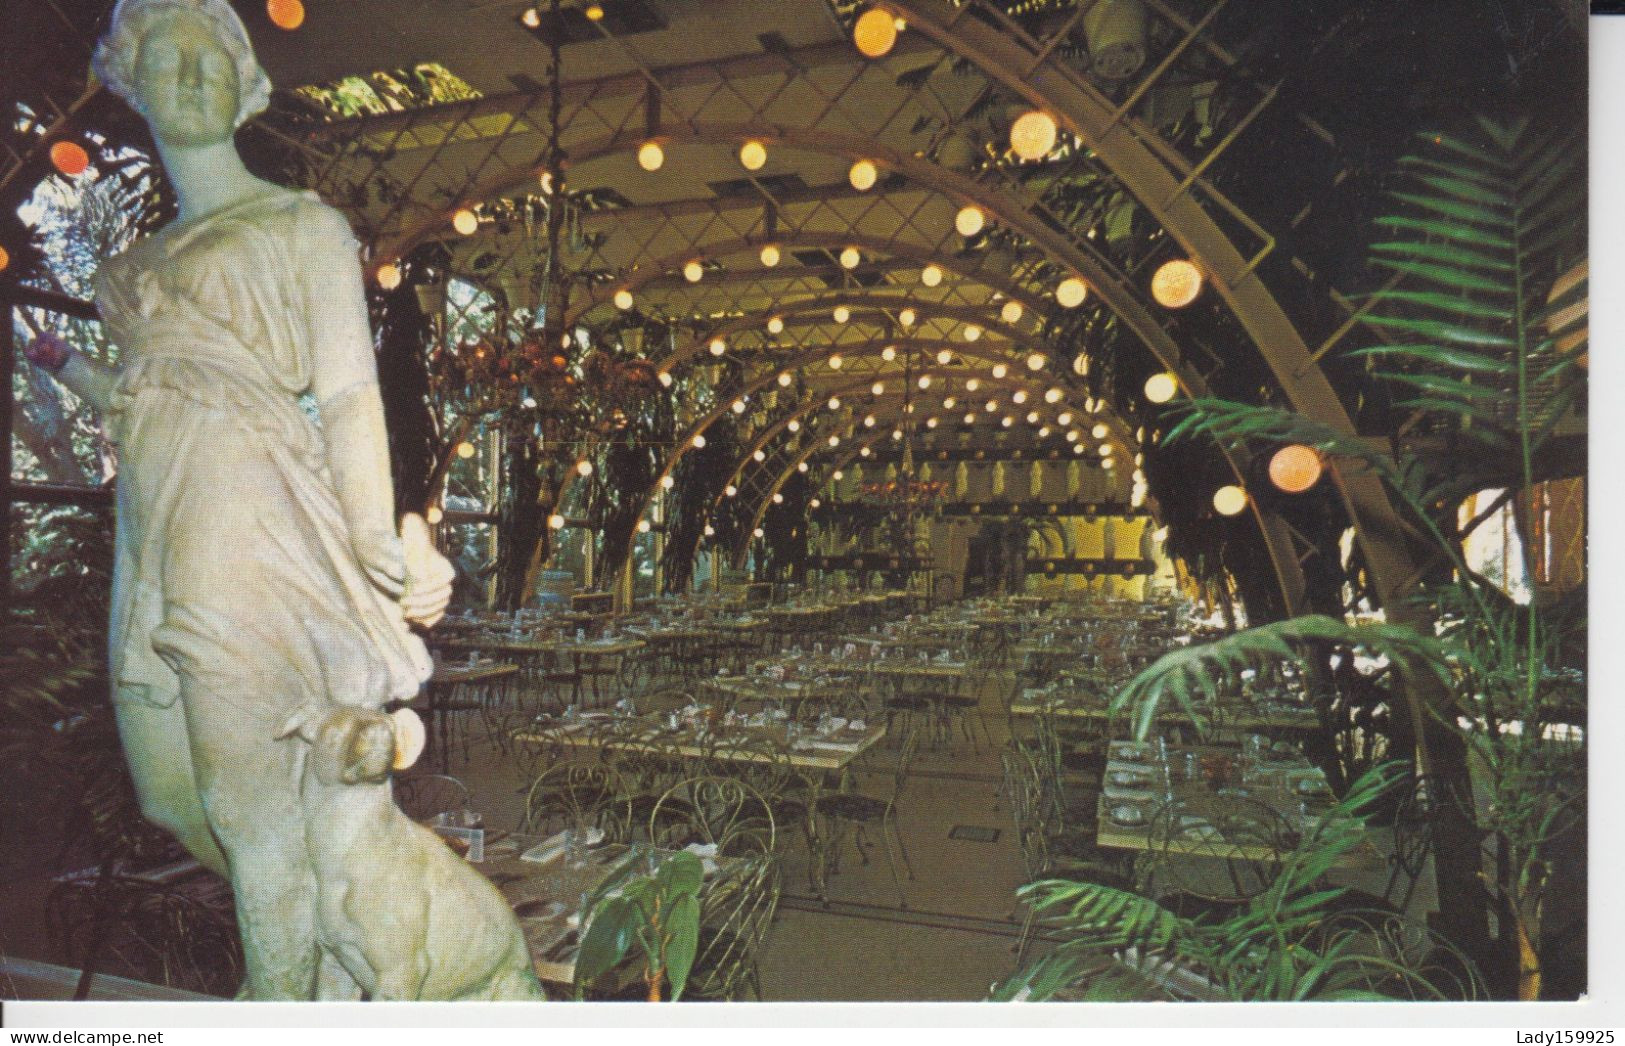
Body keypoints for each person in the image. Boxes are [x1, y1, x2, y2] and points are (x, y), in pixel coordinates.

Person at [23, 0, 457, 999]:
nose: (187, 72)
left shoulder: (299, 224)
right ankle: (334, 929)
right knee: (173, 799)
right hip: (153, 527)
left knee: (246, 810)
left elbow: (346, 393)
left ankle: (284, 997)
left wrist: (368, 535)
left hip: (246, 522)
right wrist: (63, 365)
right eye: (162, 57)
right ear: (129, 79)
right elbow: (145, 404)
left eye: (209, 56)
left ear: (244, 84)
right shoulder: (132, 271)